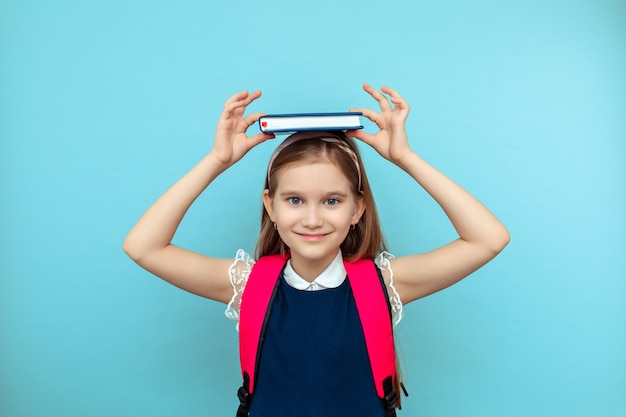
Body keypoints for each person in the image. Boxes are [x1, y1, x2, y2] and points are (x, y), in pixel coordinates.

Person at [123, 84, 510, 416]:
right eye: (294, 200)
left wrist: (406, 159)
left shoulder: (383, 284)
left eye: (331, 201)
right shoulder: (248, 285)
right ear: (270, 206)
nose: (312, 219)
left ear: (357, 208)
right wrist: (216, 161)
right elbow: (143, 246)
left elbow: (488, 238)